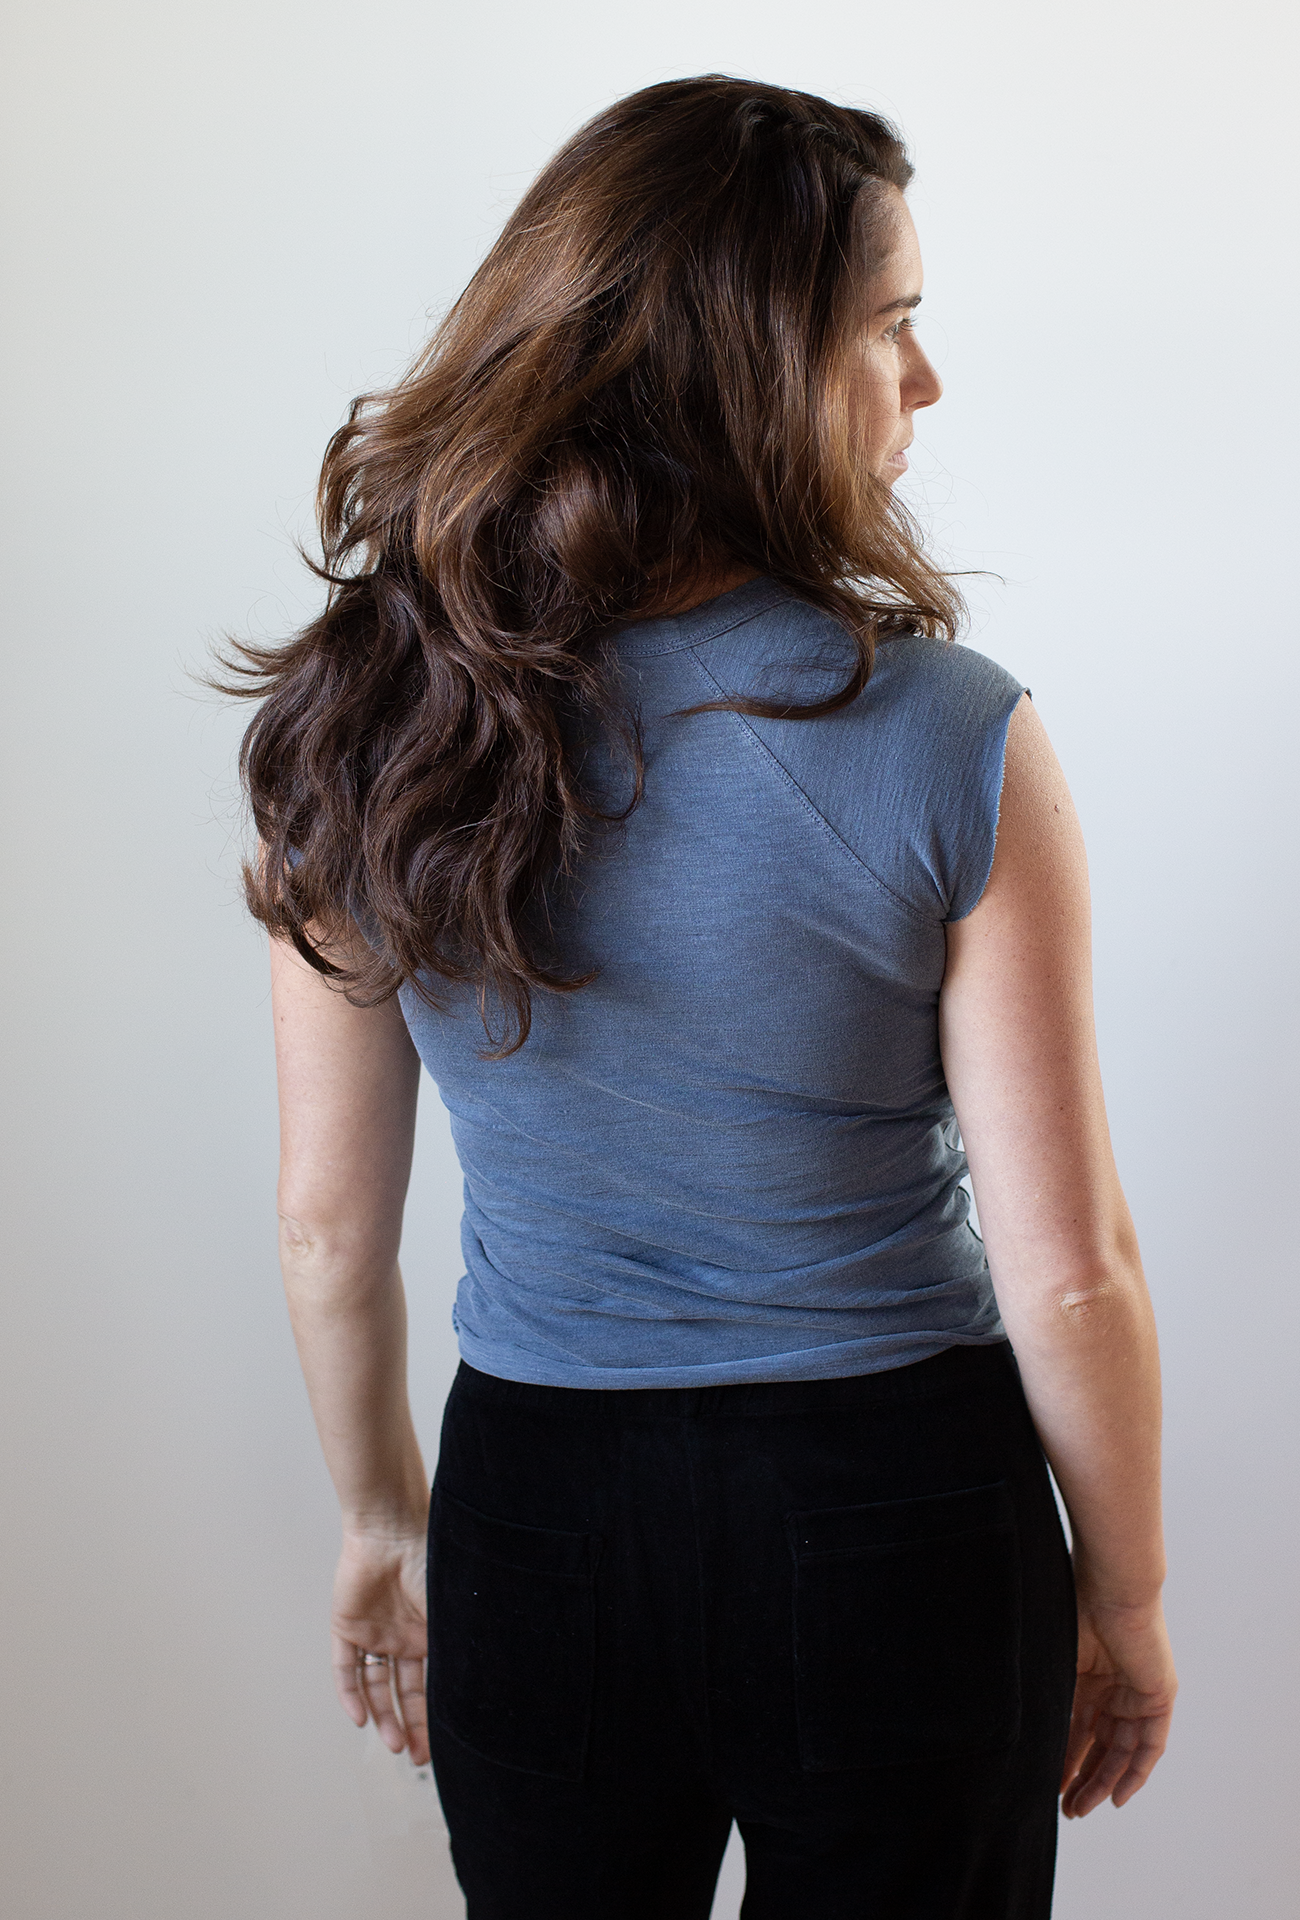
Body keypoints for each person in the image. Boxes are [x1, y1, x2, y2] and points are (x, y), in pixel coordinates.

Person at [230, 74, 1175, 1919]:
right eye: (890, 322)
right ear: (747, 358)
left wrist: (375, 1518)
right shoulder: (947, 731)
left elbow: (328, 1231)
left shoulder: (367, 720)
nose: (925, 382)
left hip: (537, 1518)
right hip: (899, 1510)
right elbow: (1070, 1271)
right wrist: (1121, 1595)